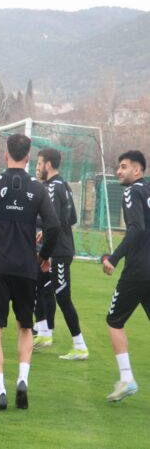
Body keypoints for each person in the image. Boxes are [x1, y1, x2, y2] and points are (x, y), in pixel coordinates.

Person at [0, 133, 59, 410]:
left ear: (5, 154)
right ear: (29, 157)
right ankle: (22, 381)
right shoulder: (38, 188)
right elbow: (54, 225)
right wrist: (44, 256)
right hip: (26, 268)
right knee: (25, 327)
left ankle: (0, 392)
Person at [102, 150, 150, 402]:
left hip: (138, 271)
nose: (118, 171)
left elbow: (136, 229)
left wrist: (114, 257)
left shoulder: (132, 191)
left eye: (123, 167)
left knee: (114, 320)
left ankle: (127, 378)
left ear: (137, 170)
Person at [32, 148, 89, 360]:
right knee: (36, 283)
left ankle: (80, 346)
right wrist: (46, 231)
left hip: (59, 252)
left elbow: (53, 222)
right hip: (58, 247)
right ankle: (44, 333)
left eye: (39, 163)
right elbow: (71, 218)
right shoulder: (63, 185)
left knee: (63, 297)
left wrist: (46, 248)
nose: (38, 167)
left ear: (48, 164)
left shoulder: (51, 187)